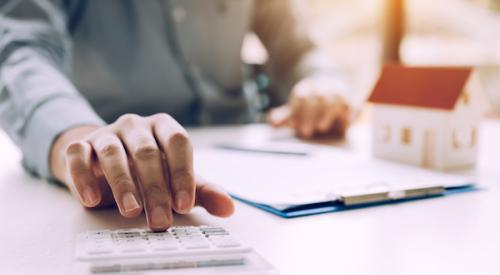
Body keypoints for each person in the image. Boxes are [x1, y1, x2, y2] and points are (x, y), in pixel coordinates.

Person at [0, 0, 353, 231]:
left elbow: (298, 49)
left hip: (259, 164)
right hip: (124, 179)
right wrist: (79, 137)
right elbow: (20, 53)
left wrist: (321, 83)